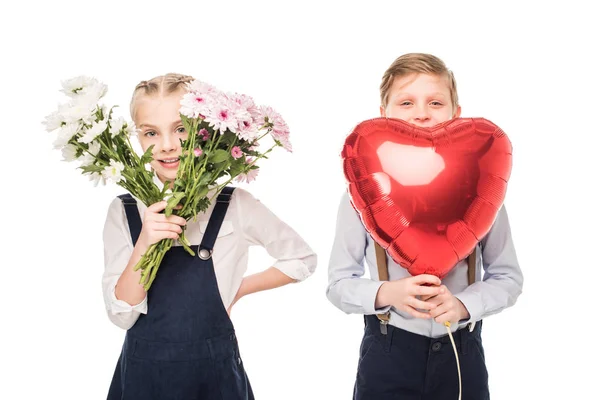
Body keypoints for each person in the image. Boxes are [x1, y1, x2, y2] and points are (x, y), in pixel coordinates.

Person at [103, 73, 317, 399]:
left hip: (215, 379)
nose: (167, 145)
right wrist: (145, 241)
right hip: (144, 379)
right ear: (137, 138)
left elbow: (302, 258)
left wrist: (238, 290)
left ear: (204, 130)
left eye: (180, 129)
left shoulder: (234, 204)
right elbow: (122, 314)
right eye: (151, 133)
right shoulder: (125, 211)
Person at [326, 53, 523, 400]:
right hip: (387, 354)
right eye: (407, 102)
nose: (421, 112)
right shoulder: (362, 193)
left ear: (456, 114)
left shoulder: (483, 192)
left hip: (462, 354)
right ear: (384, 114)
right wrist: (388, 294)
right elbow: (338, 284)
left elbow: (508, 278)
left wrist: (464, 305)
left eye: (435, 102)